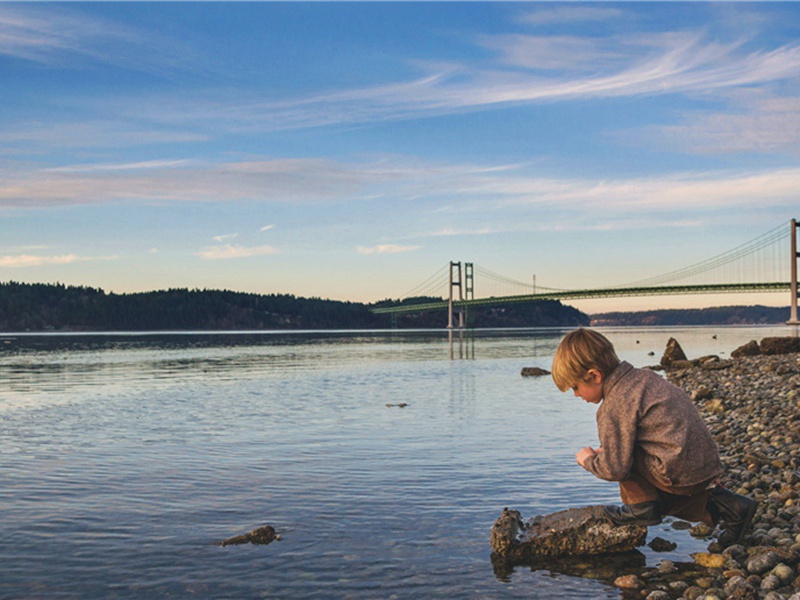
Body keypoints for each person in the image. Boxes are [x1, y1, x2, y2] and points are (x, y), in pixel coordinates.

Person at [550, 328, 757, 546]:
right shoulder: (644, 378)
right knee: (656, 484)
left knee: (622, 457)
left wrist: (589, 460)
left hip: (678, 470)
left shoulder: (613, 406)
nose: (576, 395)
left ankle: (639, 508)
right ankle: (732, 508)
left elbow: (615, 468)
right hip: (703, 465)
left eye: (575, 387)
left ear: (594, 375)